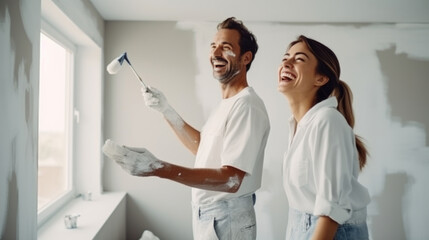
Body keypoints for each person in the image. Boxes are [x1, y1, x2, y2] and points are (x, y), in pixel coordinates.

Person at [103, 17, 270, 240]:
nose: (216, 53)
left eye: (226, 47)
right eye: (213, 46)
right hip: (212, 217)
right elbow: (204, 148)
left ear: (245, 58)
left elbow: (231, 179)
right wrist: (166, 110)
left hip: (227, 219)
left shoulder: (247, 105)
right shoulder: (227, 104)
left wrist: (158, 168)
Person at [278, 35, 371, 240]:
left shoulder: (328, 121)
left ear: (321, 79)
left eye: (299, 59)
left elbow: (332, 209)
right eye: (286, 57)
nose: (286, 62)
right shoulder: (298, 125)